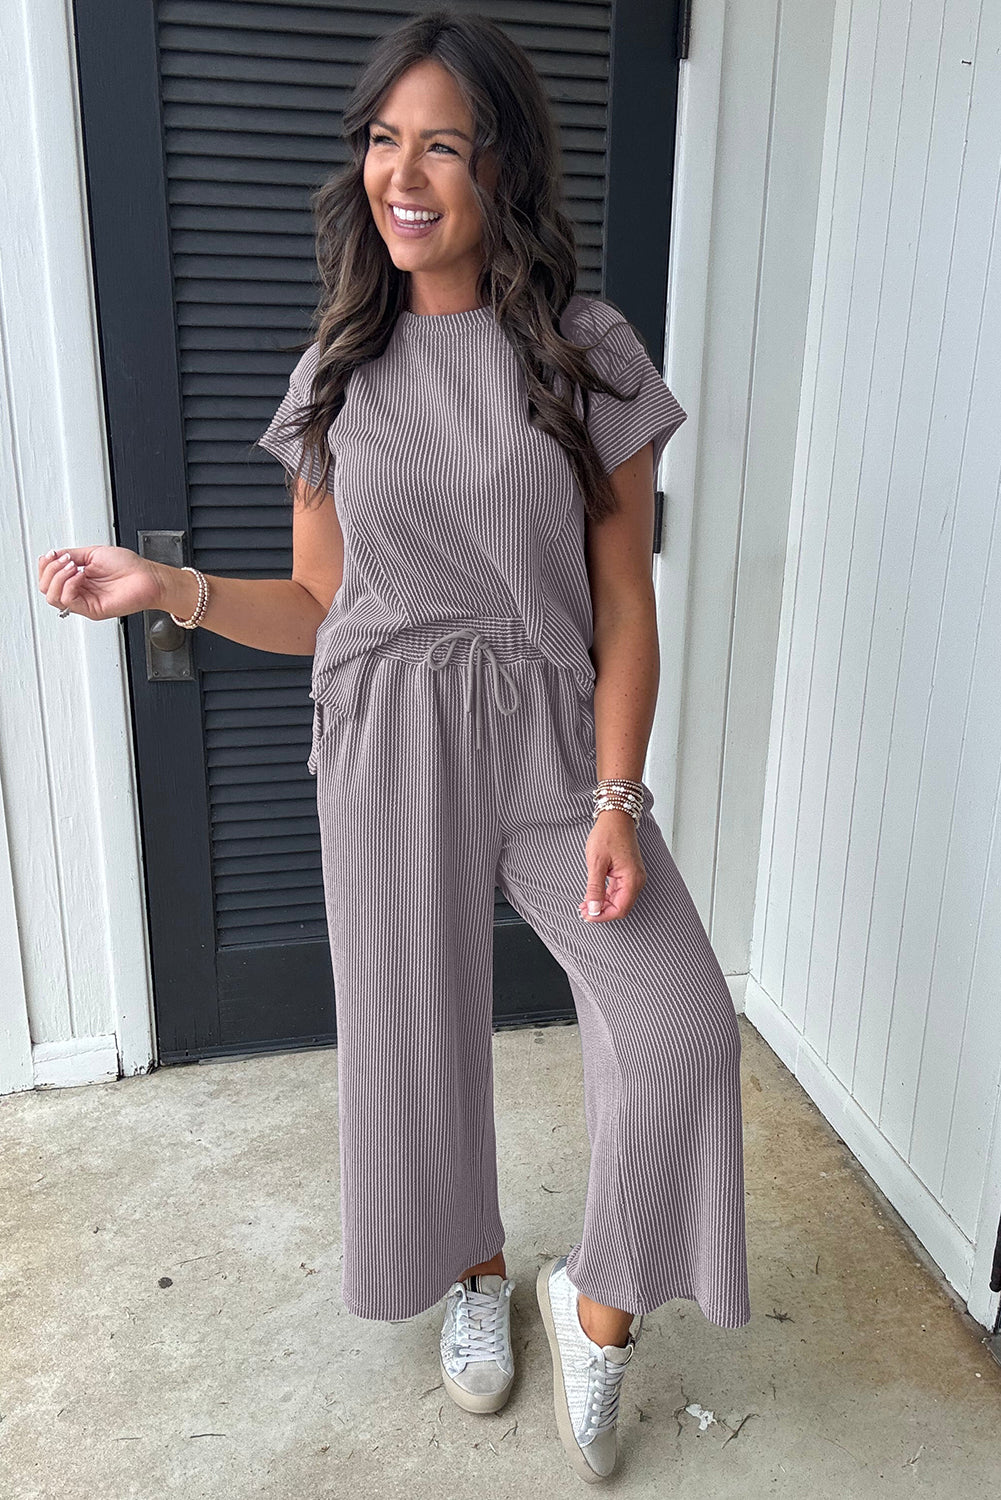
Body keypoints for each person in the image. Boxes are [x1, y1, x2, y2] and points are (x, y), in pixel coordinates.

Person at [37, 8, 750, 1483]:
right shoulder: (337, 370)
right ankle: (470, 1270)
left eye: (441, 144)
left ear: (504, 165)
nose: (402, 175)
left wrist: (617, 796)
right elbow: (322, 606)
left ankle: (598, 1301)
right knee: (413, 1040)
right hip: (387, 738)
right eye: (382, 140)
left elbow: (626, 604)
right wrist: (167, 588)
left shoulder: (588, 352)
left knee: (678, 1024)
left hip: (551, 741)